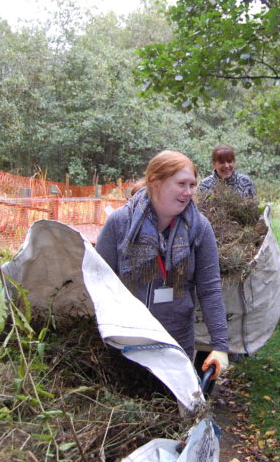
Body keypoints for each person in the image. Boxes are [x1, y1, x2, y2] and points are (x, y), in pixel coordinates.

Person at [95, 150, 229, 380]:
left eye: (192, 185)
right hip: (127, 342)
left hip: (177, 342)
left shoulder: (199, 228)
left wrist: (220, 346)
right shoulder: (120, 223)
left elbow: (210, 288)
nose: (188, 192)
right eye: (181, 184)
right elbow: (98, 284)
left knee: (171, 409)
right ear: (156, 182)